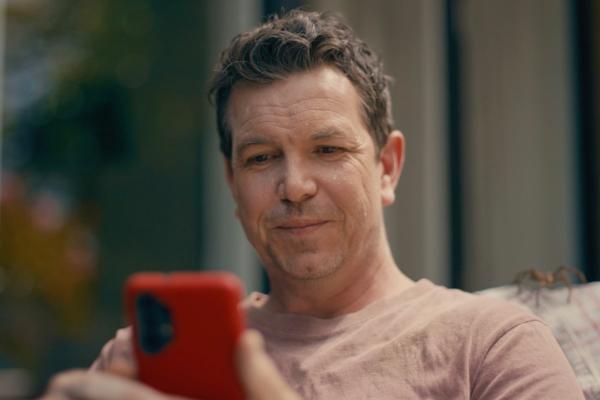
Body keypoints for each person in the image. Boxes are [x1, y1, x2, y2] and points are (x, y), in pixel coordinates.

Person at [44, 10, 584, 400]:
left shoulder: (488, 347)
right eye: (260, 159)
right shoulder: (151, 356)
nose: (295, 186)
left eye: (327, 150)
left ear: (387, 167)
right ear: (232, 185)